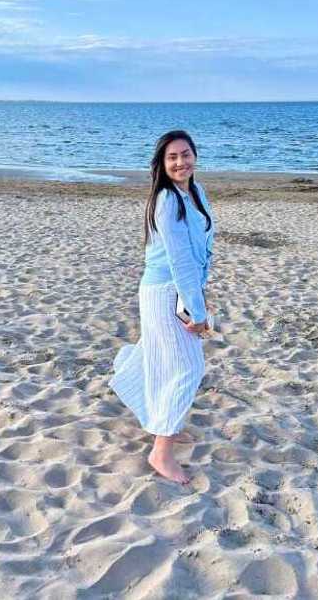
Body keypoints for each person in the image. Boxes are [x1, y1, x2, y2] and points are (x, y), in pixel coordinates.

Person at [110, 130, 216, 485]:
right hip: (164, 292)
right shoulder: (167, 200)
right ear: (162, 163)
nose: (180, 162)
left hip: (183, 288)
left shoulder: (196, 192)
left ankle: (166, 424)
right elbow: (179, 260)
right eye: (172, 157)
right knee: (188, 367)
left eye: (186, 154)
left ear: (195, 156)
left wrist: (201, 294)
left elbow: (201, 251)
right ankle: (160, 451)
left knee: (167, 359)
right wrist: (197, 312)